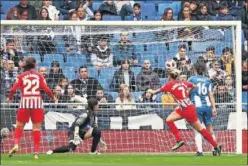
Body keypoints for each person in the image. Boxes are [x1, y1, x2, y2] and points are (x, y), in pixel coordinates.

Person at [148, 68, 221, 154]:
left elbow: (155, 92)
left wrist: (150, 91)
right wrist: (187, 93)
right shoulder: (183, 82)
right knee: (168, 120)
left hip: (188, 110)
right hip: (184, 107)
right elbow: (194, 86)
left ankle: (215, 146)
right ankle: (179, 140)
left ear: (169, 76)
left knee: (201, 129)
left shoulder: (169, 85)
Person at [7, 56, 55, 159]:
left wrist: (10, 98)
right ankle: (36, 153)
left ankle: (16, 144)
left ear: (25, 65)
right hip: (37, 103)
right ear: (35, 65)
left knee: (19, 126)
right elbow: (46, 89)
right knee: (36, 128)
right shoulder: (39, 76)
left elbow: (13, 90)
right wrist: (53, 97)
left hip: (25, 102)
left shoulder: (21, 76)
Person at [188, 63, 217, 156]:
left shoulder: (192, 79)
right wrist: (214, 107)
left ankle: (200, 151)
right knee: (209, 129)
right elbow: (211, 94)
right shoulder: (208, 80)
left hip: (197, 107)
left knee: (197, 129)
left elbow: (188, 91)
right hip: (207, 106)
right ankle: (214, 148)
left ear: (195, 70)